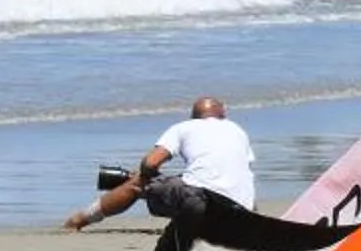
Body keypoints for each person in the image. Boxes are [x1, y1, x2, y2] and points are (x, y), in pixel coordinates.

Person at [65, 95, 256, 232]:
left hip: (200, 204)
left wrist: (145, 176)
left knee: (138, 183)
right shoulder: (238, 131)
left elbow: (150, 163)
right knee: (178, 182)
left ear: (193, 116)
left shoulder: (184, 127)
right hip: (241, 212)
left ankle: (78, 220)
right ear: (223, 114)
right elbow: (244, 174)